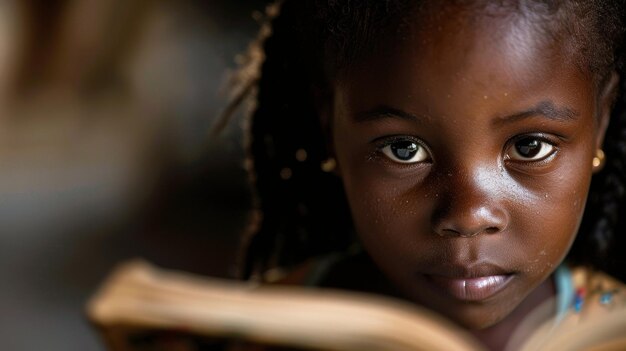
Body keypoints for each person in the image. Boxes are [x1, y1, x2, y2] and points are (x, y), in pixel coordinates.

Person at [222, 1, 626, 350]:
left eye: (530, 147)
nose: (468, 216)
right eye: (404, 149)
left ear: (600, 122)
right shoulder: (256, 334)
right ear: (330, 129)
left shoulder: (613, 328)